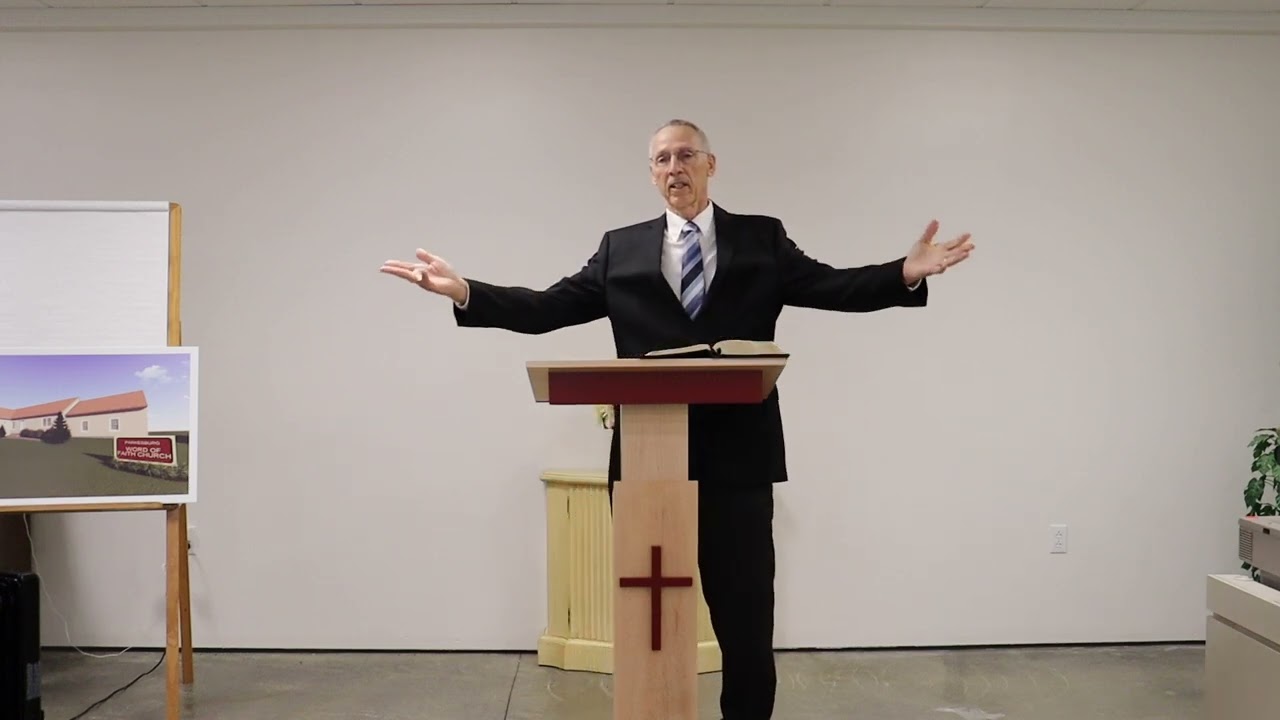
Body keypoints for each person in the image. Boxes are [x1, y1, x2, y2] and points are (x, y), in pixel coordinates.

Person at [380, 119, 974, 719]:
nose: (674, 168)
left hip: (739, 461)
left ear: (711, 165)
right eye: (662, 159)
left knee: (745, 619)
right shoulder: (620, 248)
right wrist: (466, 292)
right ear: (651, 174)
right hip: (647, 463)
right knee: (649, 616)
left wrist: (904, 273)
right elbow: (546, 308)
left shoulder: (760, 239)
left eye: (686, 155)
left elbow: (833, 287)